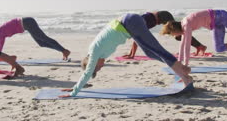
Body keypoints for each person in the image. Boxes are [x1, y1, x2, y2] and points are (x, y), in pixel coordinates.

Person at [59, 13, 192, 97]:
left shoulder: (94, 51)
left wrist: (74, 92)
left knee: (156, 49)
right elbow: (89, 70)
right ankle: (182, 69)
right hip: (129, 24)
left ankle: (185, 76)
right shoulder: (100, 54)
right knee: (150, 52)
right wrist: (75, 86)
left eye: (97, 68)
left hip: (129, 23)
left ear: (91, 62)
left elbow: (87, 73)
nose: (100, 67)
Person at [123, 11, 207, 58]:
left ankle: (200, 46)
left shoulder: (137, 25)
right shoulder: (135, 25)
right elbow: (136, 39)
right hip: (162, 17)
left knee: (180, 34)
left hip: (163, 16)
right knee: (180, 34)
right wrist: (131, 54)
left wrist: (132, 55)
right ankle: (199, 46)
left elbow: (136, 40)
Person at [0, 17, 71, 60]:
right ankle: (63, 51)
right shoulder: (1, 33)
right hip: (27, 24)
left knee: (44, 38)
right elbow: (0, 44)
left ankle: (64, 51)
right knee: (41, 43)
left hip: (26, 22)